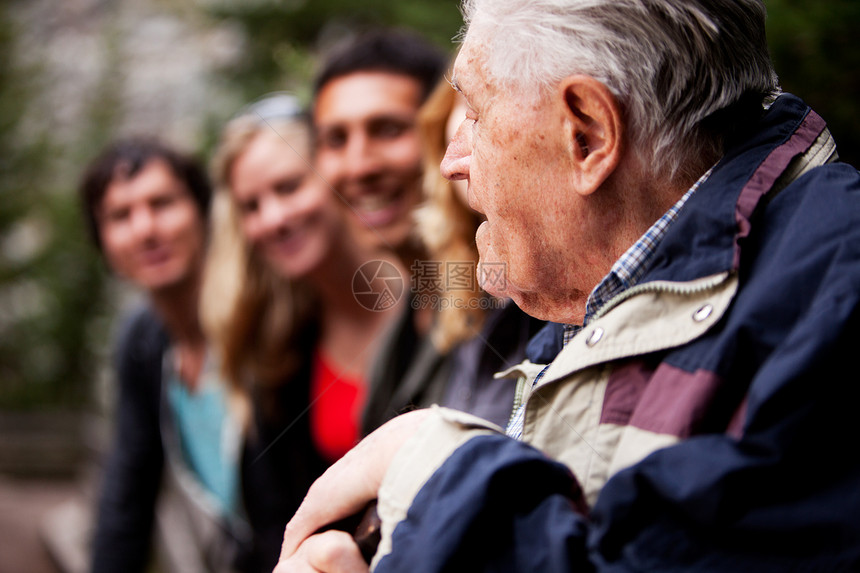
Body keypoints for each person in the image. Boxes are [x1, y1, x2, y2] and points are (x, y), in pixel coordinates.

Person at [276, 0, 860, 571]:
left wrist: (429, 464)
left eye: (475, 114)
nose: (451, 161)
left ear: (588, 133)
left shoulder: (832, 298)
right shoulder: (603, 293)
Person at [200, 94, 399, 572]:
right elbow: (277, 525)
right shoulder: (278, 351)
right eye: (251, 205)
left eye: (288, 187)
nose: (273, 218)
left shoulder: (435, 297)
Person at [81, 138, 247, 572]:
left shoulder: (257, 314)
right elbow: (126, 495)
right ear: (101, 240)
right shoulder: (142, 341)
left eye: (162, 203)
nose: (145, 229)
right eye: (120, 216)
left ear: (203, 211)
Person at [310, 29, 454, 433]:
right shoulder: (403, 327)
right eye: (336, 139)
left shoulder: (509, 303)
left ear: (445, 131)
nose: (359, 167)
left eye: (388, 129)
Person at [414, 76, 545, 429]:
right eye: (466, 112)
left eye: (478, 114)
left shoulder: (559, 299)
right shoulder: (457, 295)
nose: (452, 161)